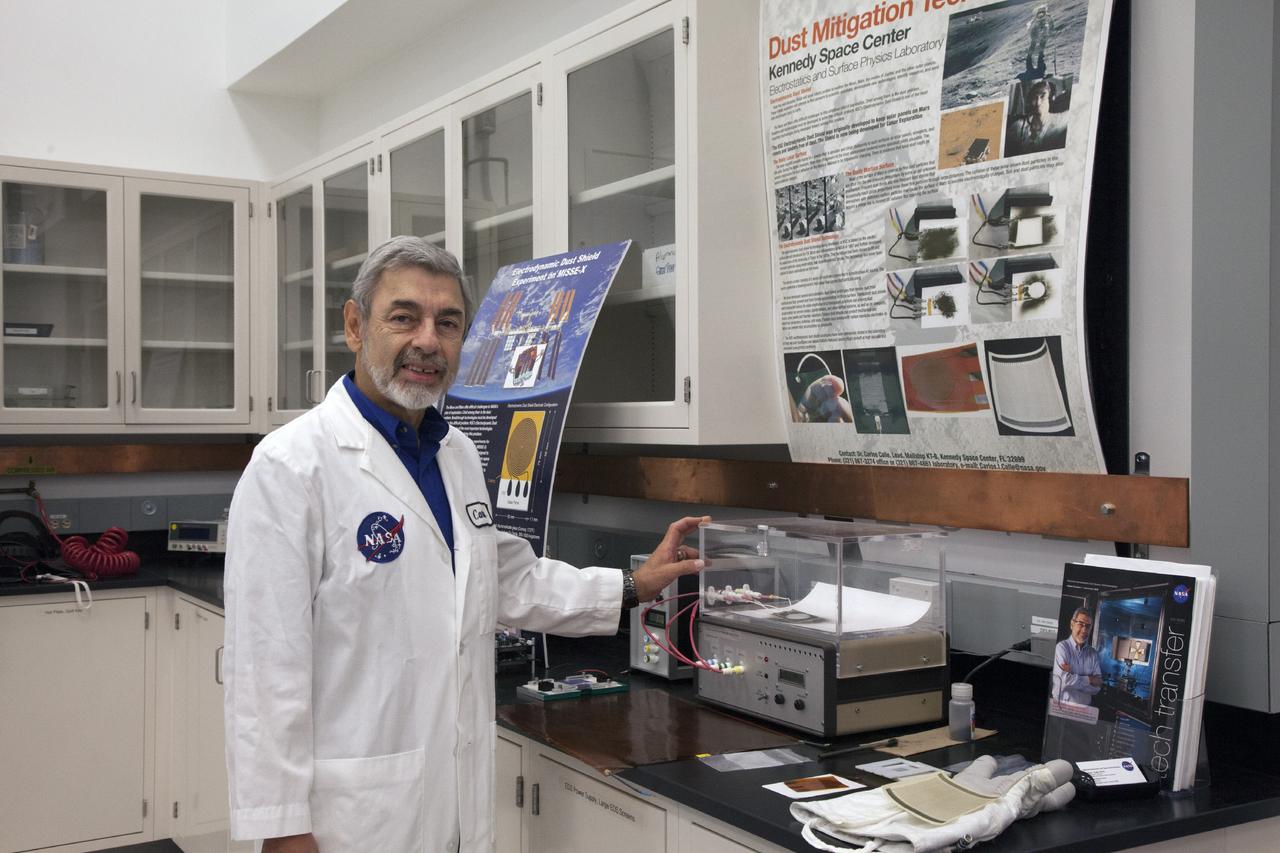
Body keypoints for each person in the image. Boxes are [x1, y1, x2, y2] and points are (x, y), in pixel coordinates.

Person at [222, 235, 709, 853]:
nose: (428, 340)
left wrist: (634, 585)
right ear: (354, 325)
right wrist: (283, 827)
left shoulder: (454, 453)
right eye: (404, 317)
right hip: (352, 816)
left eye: (447, 323)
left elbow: (505, 579)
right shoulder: (292, 466)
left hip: (454, 797)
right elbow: (265, 670)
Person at [1054, 607, 1102, 706]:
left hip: (1085, 713)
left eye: (1088, 626)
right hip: (1062, 709)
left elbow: (1097, 687)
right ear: (1072, 624)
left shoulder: (1093, 654)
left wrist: (1072, 677)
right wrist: (1090, 679)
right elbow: (1064, 681)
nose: (1084, 630)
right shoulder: (1062, 648)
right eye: (1080, 624)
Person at [1006, 79, 1067, 156]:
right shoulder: (1018, 127)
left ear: (1050, 99)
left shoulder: (1060, 122)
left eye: (1042, 96)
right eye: (1034, 97)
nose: (1038, 103)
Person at [1025, 4, 1053, 77]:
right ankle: (1029, 58)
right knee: (1033, 44)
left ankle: (1040, 57)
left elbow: (1050, 24)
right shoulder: (1034, 20)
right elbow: (1030, 27)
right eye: (1039, 13)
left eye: (1042, 13)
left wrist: (1049, 30)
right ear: (1037, 14)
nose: (1041, 14)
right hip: (1035, 33)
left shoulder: (1047, 17)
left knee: (1042, 44)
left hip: (1043, 32)